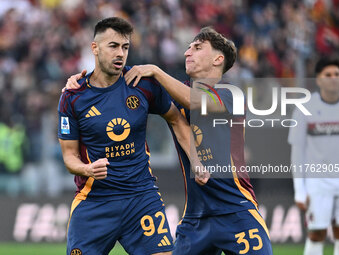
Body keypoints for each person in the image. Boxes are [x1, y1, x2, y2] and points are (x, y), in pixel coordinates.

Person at [66, 27, 272, 255]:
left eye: (197, 47)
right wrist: (82, 83)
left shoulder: (231, 95)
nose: (187, 52)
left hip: (237, 210)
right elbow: (114, 89)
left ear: (218, 59)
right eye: (188, 47)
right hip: (195, 219)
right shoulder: (175, 92)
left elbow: (196, 101)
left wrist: (155, 70)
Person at [58, 17, 207, 255]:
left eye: (125, 47)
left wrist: (196, 162)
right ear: (94, 48)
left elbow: (177, 120)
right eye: (113, 46)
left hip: (141, 198)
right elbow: (69, 156)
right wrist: (87, 170)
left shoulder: (142, 83)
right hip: (95, 202)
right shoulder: (73, 96)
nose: (120, 53)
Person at [288, 58, 339, 255]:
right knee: (316, 233)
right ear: (318, 80)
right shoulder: (304, 109)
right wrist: (299, 189)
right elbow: (297, 151)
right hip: (317, 183)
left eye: (337, 74)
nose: (334, 78)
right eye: (328, 75)